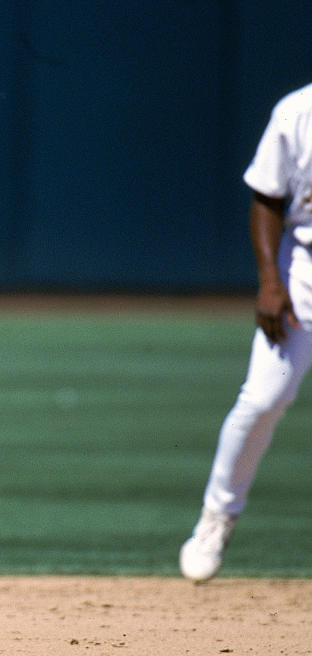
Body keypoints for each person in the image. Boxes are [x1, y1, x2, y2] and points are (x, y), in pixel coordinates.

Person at [180, 81, 312, 582]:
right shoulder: (298, 112)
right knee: (262, 399)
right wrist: (270, 283)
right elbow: (266, 199)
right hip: (303, 272)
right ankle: (217, 516)